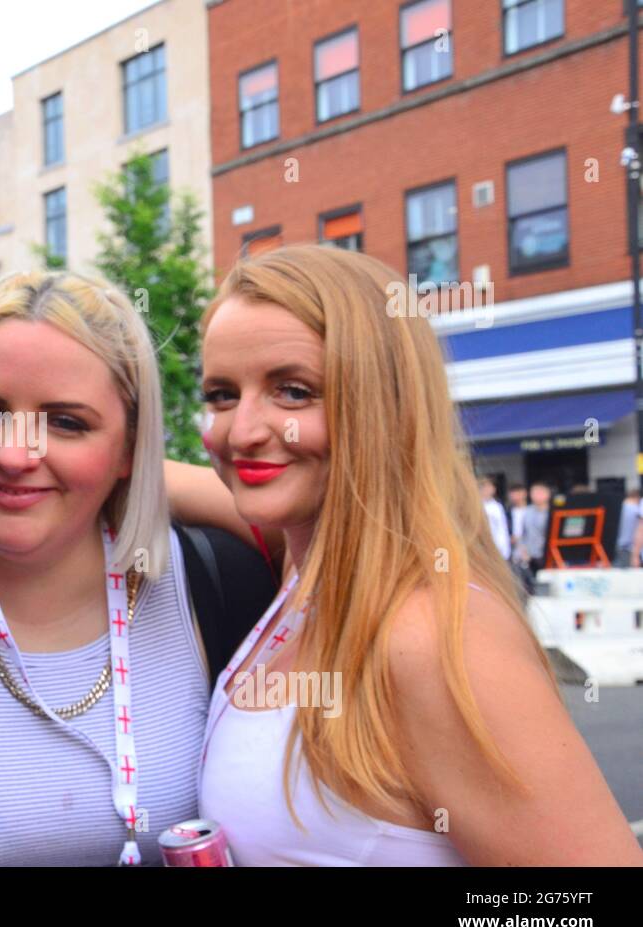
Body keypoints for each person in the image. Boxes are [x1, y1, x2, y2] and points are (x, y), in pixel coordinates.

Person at [195, 244, 641, 865]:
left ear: (380, 404)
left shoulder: (431, 635)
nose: (240, 431)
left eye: (293, 391)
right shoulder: (303, 574)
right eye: (220, 394)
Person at [0, 271, 276, 865]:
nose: (16, 455)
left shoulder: (220, 582)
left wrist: (150, 481)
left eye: (66, 422)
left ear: (130, 445)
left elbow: (359, 536)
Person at [516, 481, 551, 586]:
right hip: (530, 556)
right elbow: (523, 534)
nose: (536, 495)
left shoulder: (552, 512)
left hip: (547, 555)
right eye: (534, 493)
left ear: (547, 494)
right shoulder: (527, 511)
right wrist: (523, 550)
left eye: (540, 492)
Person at [479, 476, 511, 561]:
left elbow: (502, 528)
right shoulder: (477, 506)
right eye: (484, 487)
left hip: (498, 546)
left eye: (490, 487)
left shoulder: (498, 506)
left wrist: (505, 548)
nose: (487, 490)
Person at [614, 488, 639, 568]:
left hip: (616, 548)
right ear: (637, 497)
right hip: (631, 549)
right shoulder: (637, 510)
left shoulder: (617, 507)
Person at [506, 483, 527, 557]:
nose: (515, 497)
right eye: (513, 495)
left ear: (524, 493)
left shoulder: (530, 511)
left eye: (518, 494)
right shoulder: (507, 513)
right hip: (513, 549)